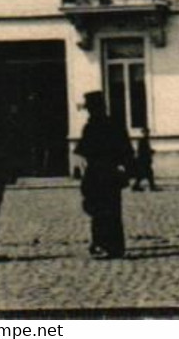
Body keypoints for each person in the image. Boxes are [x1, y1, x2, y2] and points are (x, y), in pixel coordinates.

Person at [75, 91, 132, 259]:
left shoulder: (91, 126)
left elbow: (83, 150)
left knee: (98, 210)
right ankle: (114, 246)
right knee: (112, 210)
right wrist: (126, 170)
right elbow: (126, 150)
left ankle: (101, 243)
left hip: (96, 174)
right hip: (111, 173)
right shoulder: (115, 124)